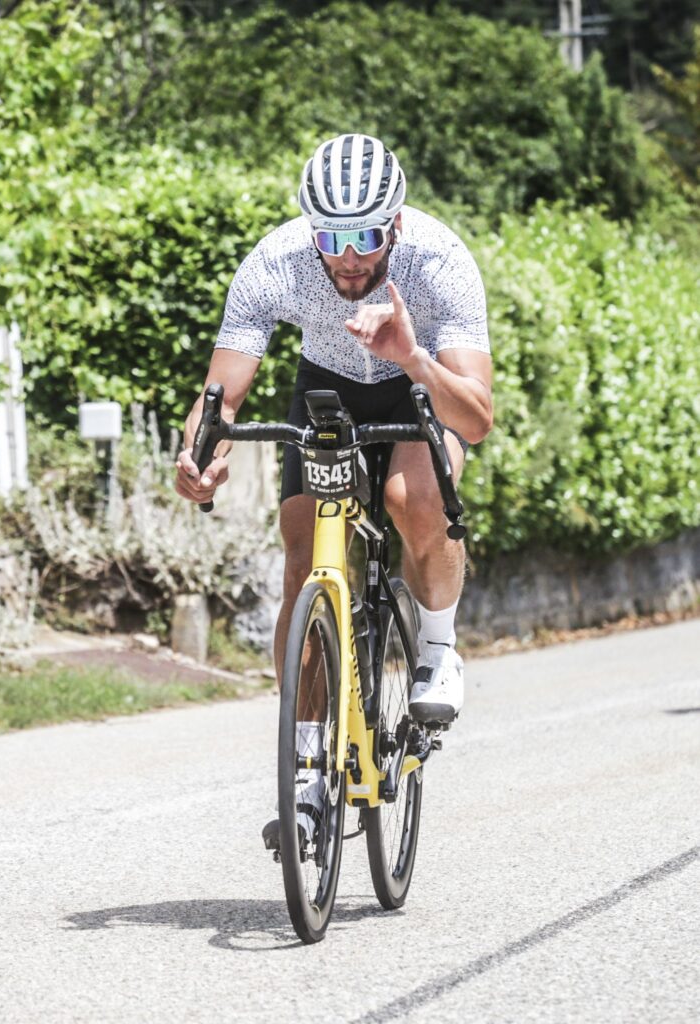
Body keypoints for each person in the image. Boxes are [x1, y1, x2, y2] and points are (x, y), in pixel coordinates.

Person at [176, 133, 492, 839]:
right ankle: (308, 769)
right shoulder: (277, 261)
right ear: (308, 228)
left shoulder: (438, 260)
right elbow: (221, 388)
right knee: (302, 563)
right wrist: (200, 448)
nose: (348, 255)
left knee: (414, 500)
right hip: (328, 389)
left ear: (397, 224)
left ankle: (437, 648)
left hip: (419, 386)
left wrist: (411, 355)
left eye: (366, 235)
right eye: (331, 236)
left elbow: (476, 416)